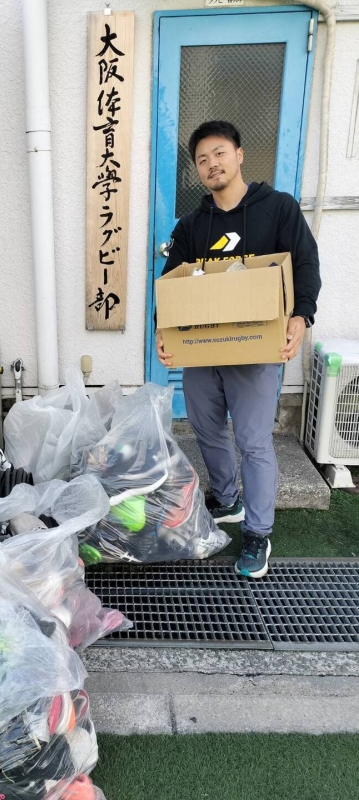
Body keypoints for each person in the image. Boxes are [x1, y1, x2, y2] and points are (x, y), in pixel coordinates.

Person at [156, 120, 321, 578]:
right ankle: (226, 498)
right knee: (207, 431)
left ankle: (257, 534)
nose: (212, 164)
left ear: (240, 154)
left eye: (219, 153)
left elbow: (305, 263)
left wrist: (301, 315)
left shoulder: (278, 210)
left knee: (253, 442)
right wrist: (161, 330)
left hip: (254, 349)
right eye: (203, 160)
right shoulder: (191, 225)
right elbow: (170, 284)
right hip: (203, 353)